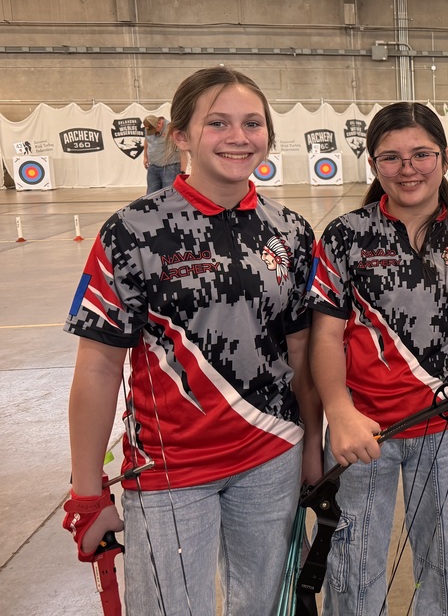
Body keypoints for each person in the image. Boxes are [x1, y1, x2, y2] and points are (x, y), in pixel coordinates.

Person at [63, 67, 322, 615]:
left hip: (273, 454)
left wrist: (312, 449)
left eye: (252, 123)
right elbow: (98, 367)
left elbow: (301, 354)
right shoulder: (131, 231)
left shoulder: (292, 231)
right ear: (179, 135)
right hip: (170, 469)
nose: (239, 137)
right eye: (217, 123)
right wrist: (87, 490)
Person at [307, 101, 448, 616]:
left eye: (421, 154)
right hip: (362, 431)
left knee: (447, 570)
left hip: (444, 425)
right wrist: (339, 412)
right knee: (353, 572)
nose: (408, 169)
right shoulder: (345, 236)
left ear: (445, 157)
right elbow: (325, 337)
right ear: (373, 164)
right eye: (391, 157)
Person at [142, 114, 182, 193]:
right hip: (153, 167)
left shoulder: (170, 128)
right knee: (151, 195)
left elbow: (182, 147)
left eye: (154, 130)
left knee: (168, 195)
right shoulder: (149, 128)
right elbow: (147, 141)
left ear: (159, 124)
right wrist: (145, 157)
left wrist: (183, 169)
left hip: (169, 168)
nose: (152, 133)